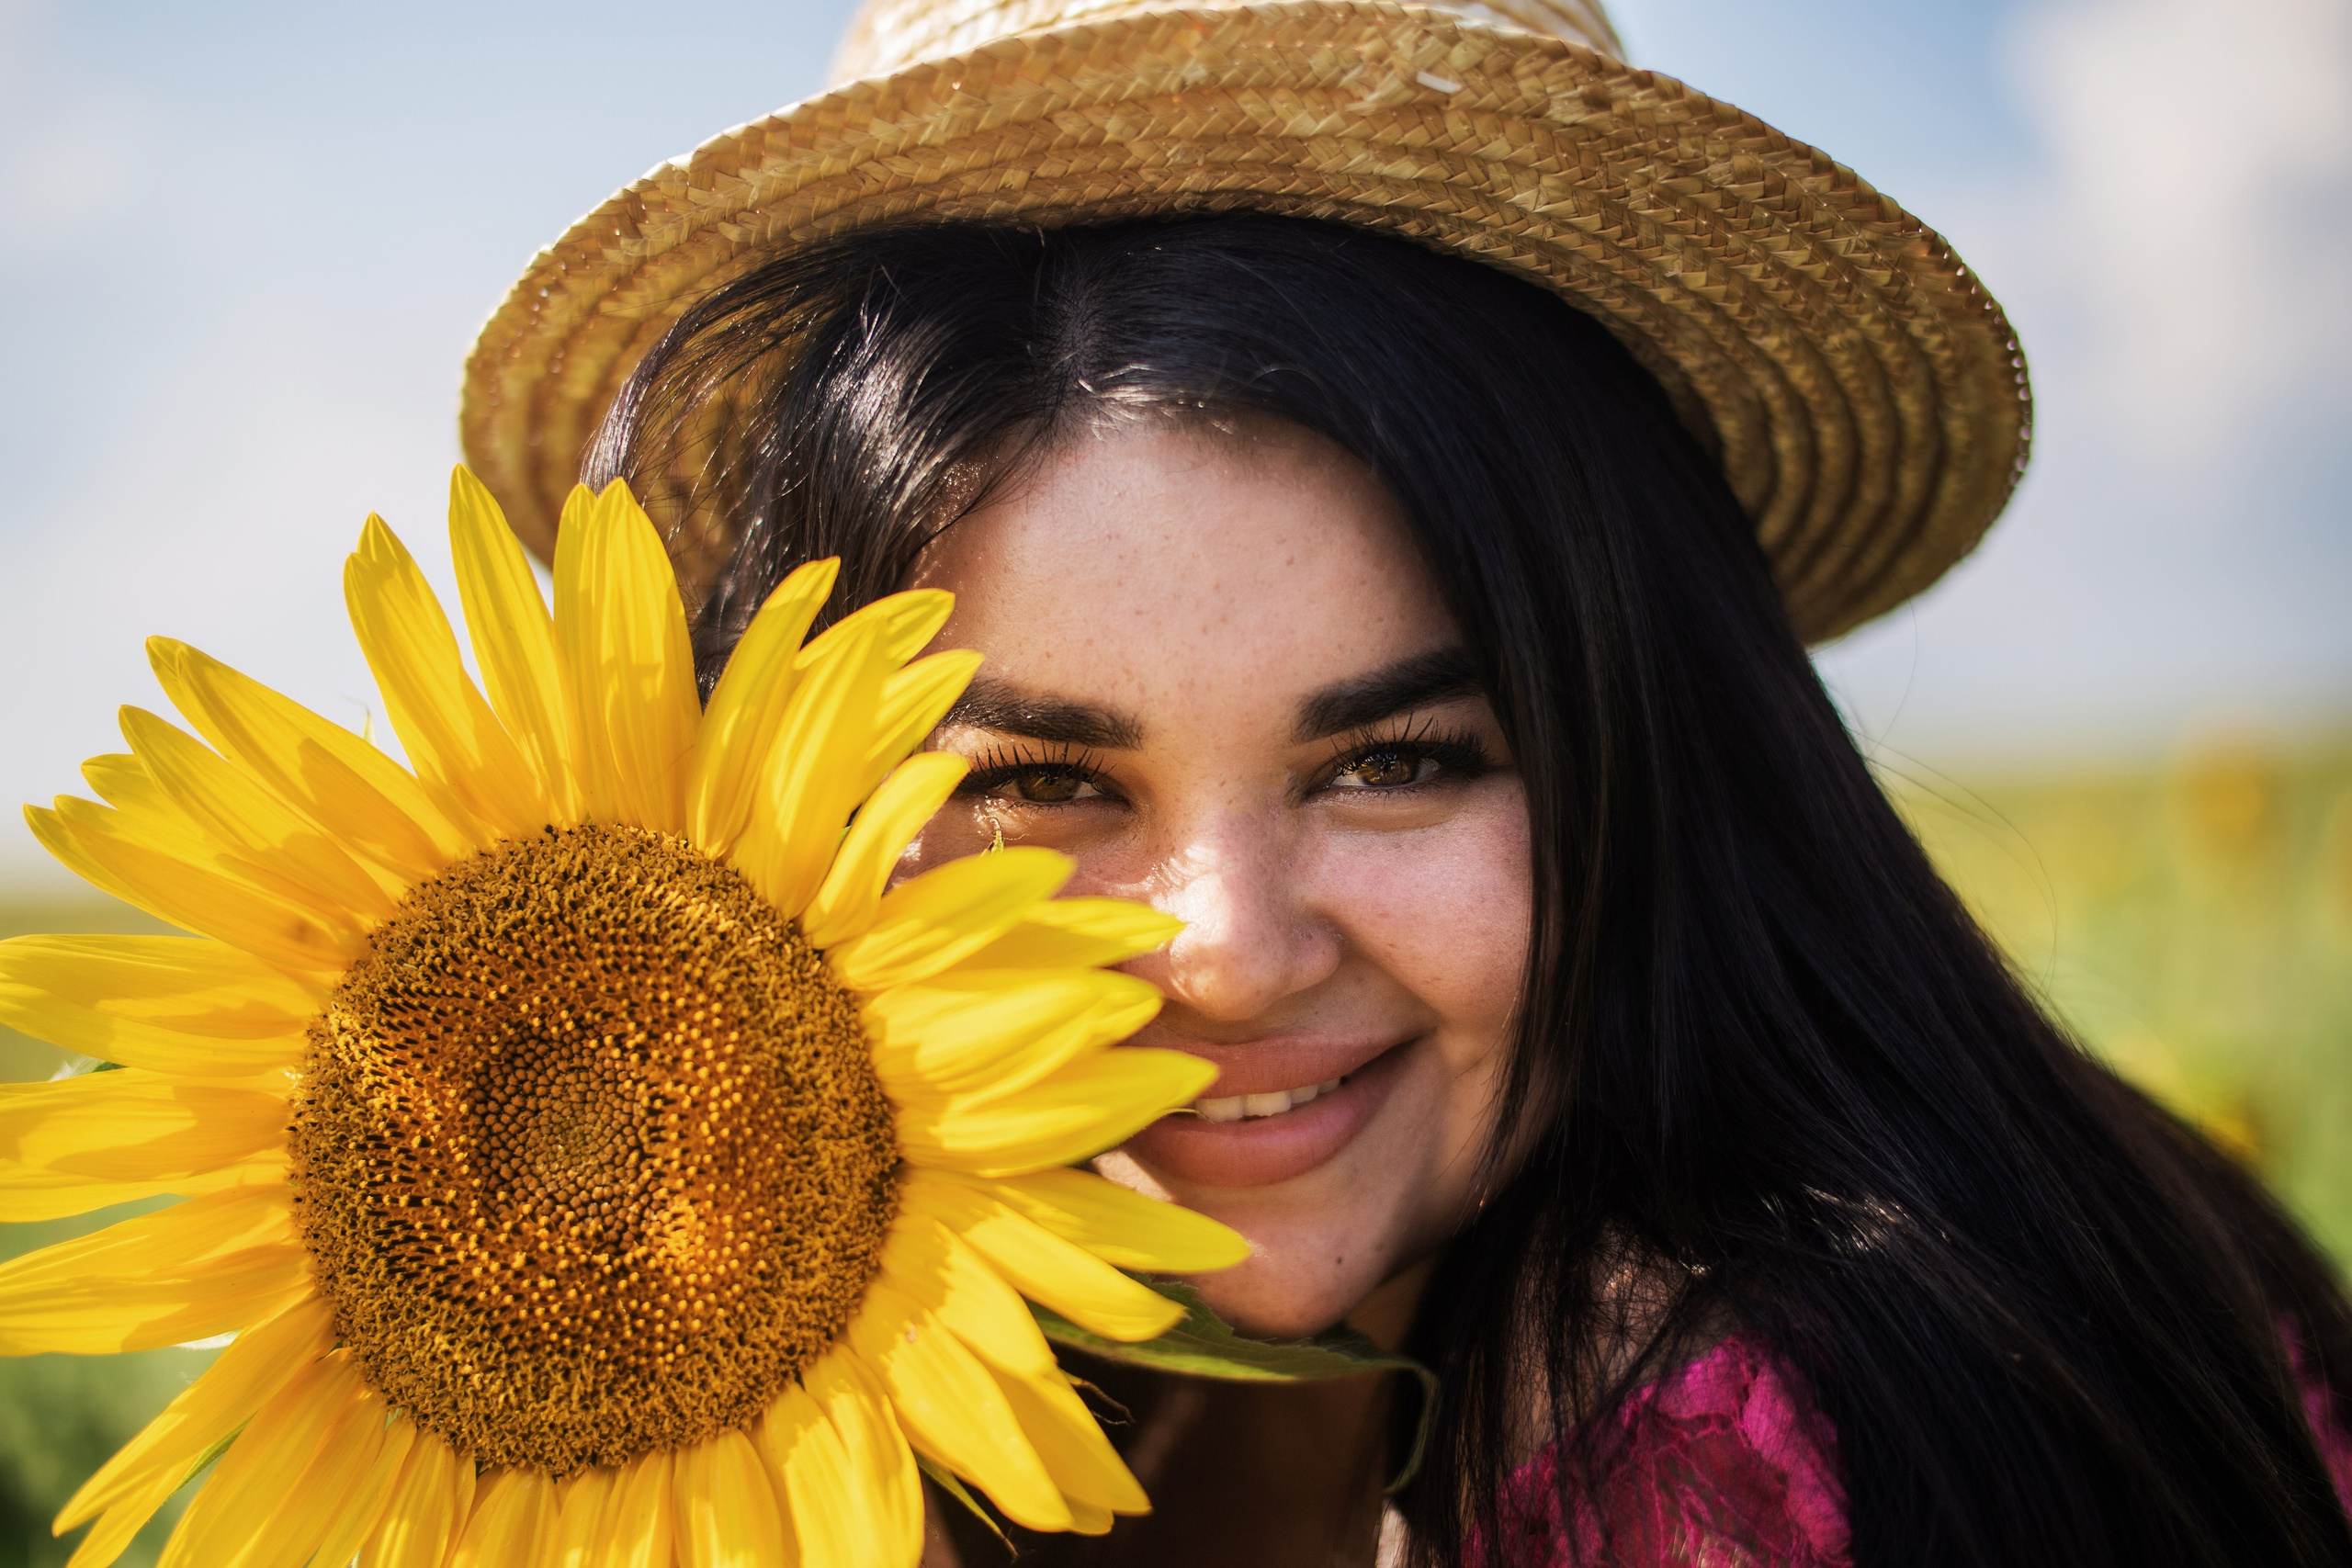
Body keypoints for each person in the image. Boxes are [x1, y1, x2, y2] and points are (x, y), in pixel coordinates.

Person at [458, 2, 2352, 1563]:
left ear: (1636, 734)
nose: (1227, 947)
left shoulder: (1710, 1437)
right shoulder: (945, 1387)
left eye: (1393, 760)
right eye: (1043, 777)